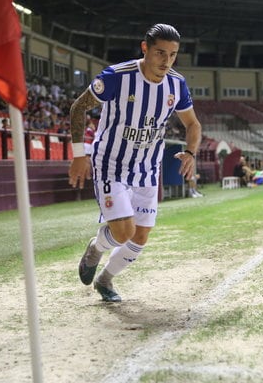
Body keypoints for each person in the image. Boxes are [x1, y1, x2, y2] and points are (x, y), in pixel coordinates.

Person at [69, 23, 202, 302]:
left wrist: (190, 153)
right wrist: (79, 154)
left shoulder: (176, 84)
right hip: (111, 164)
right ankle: (95, 248)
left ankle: (105, 280)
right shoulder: (118, 76)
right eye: (160, 53)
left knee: (140, 237)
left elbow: (192, 124)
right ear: (145, 48)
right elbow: (79, 106)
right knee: (123, 231)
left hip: (147, 169)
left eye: (173, 55)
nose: (166, 61)